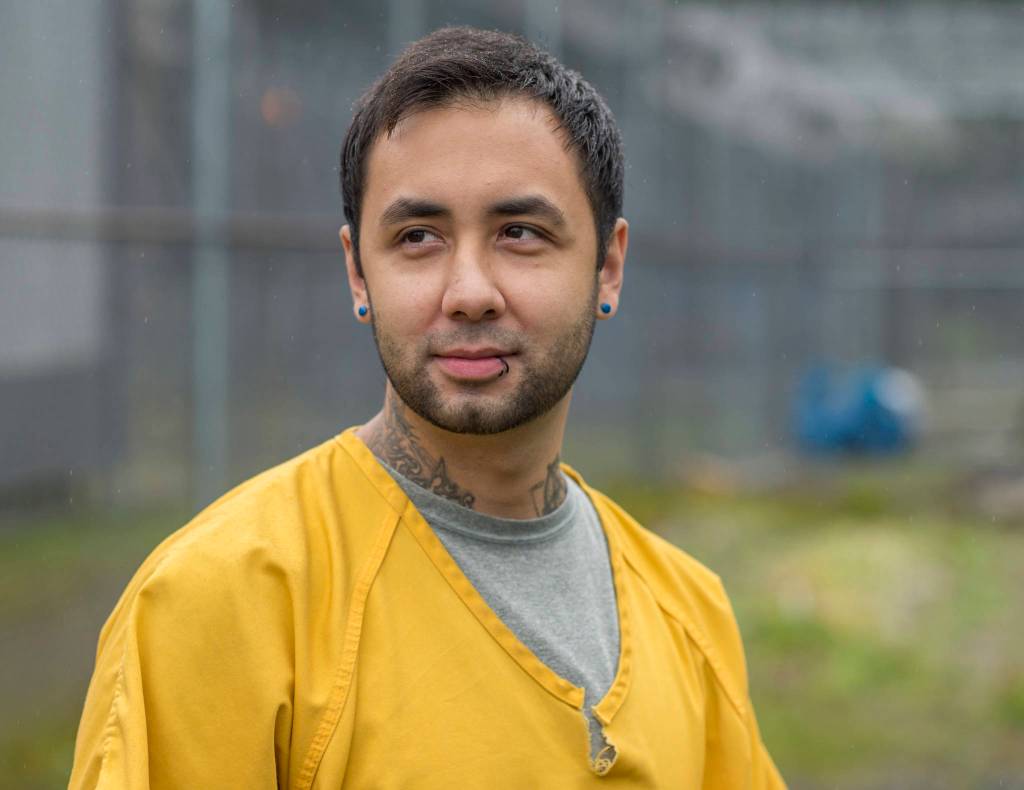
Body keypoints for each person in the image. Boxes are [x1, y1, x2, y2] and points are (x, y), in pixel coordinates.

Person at [70, 26, 785, 789]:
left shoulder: (689, 612)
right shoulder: (220, 603)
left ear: (607, 266)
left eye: (519, 233)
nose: (469, 291)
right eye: (418, 237)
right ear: (357, 271)